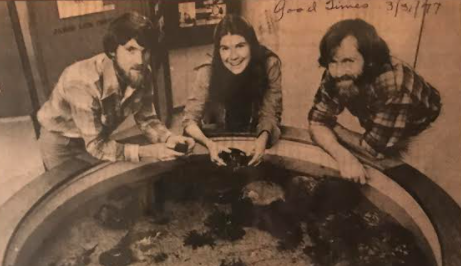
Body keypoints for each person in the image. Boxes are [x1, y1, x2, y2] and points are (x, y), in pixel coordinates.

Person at [37, 12, 194, 170]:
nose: (139, 60)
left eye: (145, 51)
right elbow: (96, 146)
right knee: (73, 191)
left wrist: (169, 138)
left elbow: (146, 118)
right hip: (63, 144)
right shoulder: (81, 83)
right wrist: (149, 151)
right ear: (112, 51)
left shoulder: (142, 72)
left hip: (97, 137)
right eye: (130, 49)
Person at [308, 19, 441, 184]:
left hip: (420, 128)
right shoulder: (334, 73)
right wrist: (344, 158)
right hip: (379, 117)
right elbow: (317, 121)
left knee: (410, 182)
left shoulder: (394, 84)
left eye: (348, 61)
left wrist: (334, 128)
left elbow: (374, 149)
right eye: (333, 62)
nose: (339, 72)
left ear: (370, 59)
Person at [182, 14, 283, 166]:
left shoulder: (269, 64)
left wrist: (262, 139)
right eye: (225, 49)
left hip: (256, 133)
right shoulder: (208, 69)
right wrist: (209, 144)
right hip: (219, 136)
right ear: (218, 50)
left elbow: (270, 112)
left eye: (240, 46)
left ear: (252, 45)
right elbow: (189, 120)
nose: (233, 56)